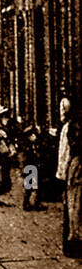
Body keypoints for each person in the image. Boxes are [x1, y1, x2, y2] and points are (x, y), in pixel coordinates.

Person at [57, 97, 82, 257]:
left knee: (73, 207)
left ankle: (73, 244)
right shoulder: (69, 127)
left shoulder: (69, 127)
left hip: (74, 169)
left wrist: (61, 174)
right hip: (75, 169)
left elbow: (64, 153)